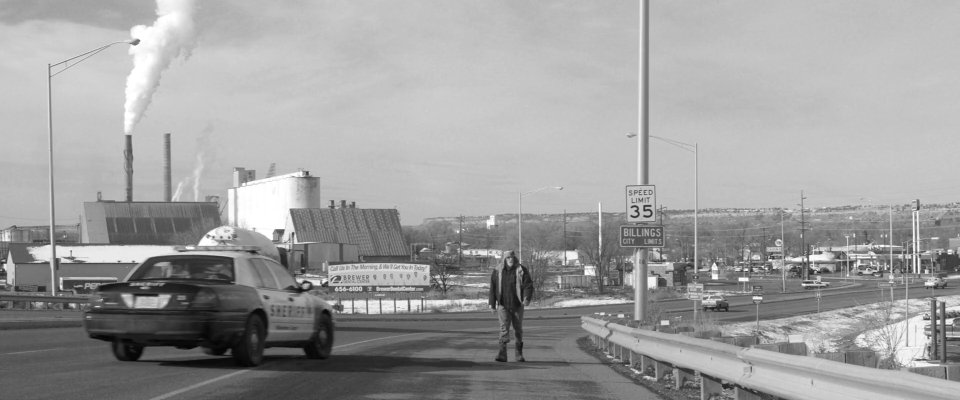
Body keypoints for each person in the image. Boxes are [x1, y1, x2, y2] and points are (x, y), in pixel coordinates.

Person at [488, 250, 534, 362]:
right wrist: (492, 304)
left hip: (517, 304)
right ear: (504, 258)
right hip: (503, 305)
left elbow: (528, 285)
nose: (510, 259)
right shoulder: (497, 270)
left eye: (512, 257)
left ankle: (519, 354)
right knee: (504, 329)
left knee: (518, 329)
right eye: (508, 257)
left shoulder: (521, 269)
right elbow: (493, 288)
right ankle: (502, 354)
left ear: (515, 258)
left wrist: (526, 298)